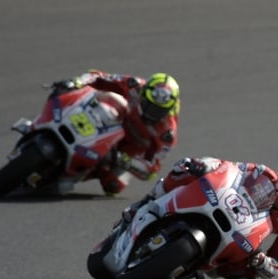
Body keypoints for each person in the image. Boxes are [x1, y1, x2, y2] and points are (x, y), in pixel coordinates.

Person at [123, 156, 278, 279]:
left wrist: (262, 262)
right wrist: (206, 165)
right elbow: (230, 168)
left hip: (244, 241)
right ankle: (146, 202)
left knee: (244, 278)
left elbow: (275, 267)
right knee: (184, 168)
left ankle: (202, 265)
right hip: (227, 208)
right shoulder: (263, 174)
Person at [49, 69, 181, 195]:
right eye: (150, 105)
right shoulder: (134, 85)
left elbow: (151, 169)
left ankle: (71, 175)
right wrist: (77, 82)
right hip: (111, 120)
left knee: (113, 186)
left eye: (159, 110)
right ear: (143, 94)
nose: (152, 113)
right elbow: (98, 76)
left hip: (127, 150)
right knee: (74, 94)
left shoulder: (167, 133)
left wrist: (126, 161)